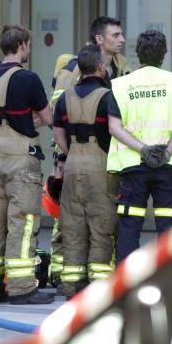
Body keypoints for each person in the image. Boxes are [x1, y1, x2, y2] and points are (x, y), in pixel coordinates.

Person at [47, 16, 130, 287]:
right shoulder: (84, 79)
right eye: (116, 35)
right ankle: (85, 282)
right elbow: (115, 127)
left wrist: (70, 151)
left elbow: (58, 126)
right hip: (92, 161)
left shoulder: (119, 67)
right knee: (92, 225)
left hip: (83, 161)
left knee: (77, 223)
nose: (121, 39)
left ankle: (72, 282)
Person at [0, 25, 54, 305]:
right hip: (21, 157)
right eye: (29, 45)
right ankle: (21, 288)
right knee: (22, 222)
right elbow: (48, 117)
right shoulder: (28, 79)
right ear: (22, 45)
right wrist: (35, 118)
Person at [108, 30, 172, 263]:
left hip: (133, 166)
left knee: (129, 226)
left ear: (138, 54)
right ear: (164, 54)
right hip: (167, 166)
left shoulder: (120, 85)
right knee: (168, 226)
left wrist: (143, 150)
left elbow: (114, 127)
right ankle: (169, 279)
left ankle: (125, 285)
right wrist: (165, 152)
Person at [52, 44, 118, 297]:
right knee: (102, 228)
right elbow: (113, 132)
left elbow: (58, 133)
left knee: (73, 227)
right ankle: (99, 290)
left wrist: (71, 151)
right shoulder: (108, 97)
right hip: (100, 167)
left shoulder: (65, 97)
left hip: (73, 164)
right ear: (100, 67)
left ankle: (72, 286)